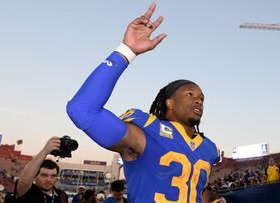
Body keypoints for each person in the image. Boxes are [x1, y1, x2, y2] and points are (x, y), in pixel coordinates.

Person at [66, 3, 220, 202]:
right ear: (170, 103)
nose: (199, 99)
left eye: (201, 97)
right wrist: (127, 51)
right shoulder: (147, 133)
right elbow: (82, 109)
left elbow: (198, 191)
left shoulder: (208, 148)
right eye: (190, 94)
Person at [15, 137, 68, 203]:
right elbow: (24, 181)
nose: (49, 179)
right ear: (35, 176)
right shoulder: (29, 192)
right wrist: (44, 151)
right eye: (44, 175)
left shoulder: (62, 196)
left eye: (53, 176)